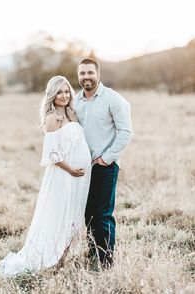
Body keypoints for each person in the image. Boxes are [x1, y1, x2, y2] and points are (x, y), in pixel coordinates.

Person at [0, 76, 92, 277]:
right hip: (63, 176)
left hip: (79, 178)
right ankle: (52, 260)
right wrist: (71, 170)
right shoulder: (52, 118)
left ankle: (63, 259)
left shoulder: (71, 113)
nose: (64, 95)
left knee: (73, 216)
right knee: (59, 216)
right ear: (52, 95)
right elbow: (52, 154)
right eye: (59, 92)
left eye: (67, 91)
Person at [74, 58, 133, 268]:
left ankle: (106, 262)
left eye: (90, 72)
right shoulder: (76, 100)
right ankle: (93, 254)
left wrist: (106, 158)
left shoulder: (114, 100)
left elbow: (126, 132)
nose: (86, 77)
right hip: (83, 168)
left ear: (98, 74)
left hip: (105, 167)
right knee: (87, 213)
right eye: (82, 73)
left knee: (102, 214)